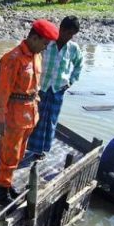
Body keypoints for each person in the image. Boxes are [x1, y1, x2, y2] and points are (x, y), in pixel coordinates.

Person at [0, 20, 59, 205]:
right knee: (9, 154)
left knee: (19, 153)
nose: (45, 48)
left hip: (29, 113)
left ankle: (7, 184)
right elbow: (2, 91)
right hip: (13, 115)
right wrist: (0, 118)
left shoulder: (36, 56)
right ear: (33, 37)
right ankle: (1, 190)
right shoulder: (12, 59)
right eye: (44, 43)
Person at [26, 16, 82, 158]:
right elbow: (32, 58)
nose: (69, 37)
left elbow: (79, 65)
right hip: (41, 87)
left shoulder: (73, 49)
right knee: (35, 118)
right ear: (61, 29)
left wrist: (70, 81)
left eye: (72, 34)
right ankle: (30, 147)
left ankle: (42, 150)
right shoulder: (46, 43)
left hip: (57, 89)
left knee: (51, 121)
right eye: (67, 33)